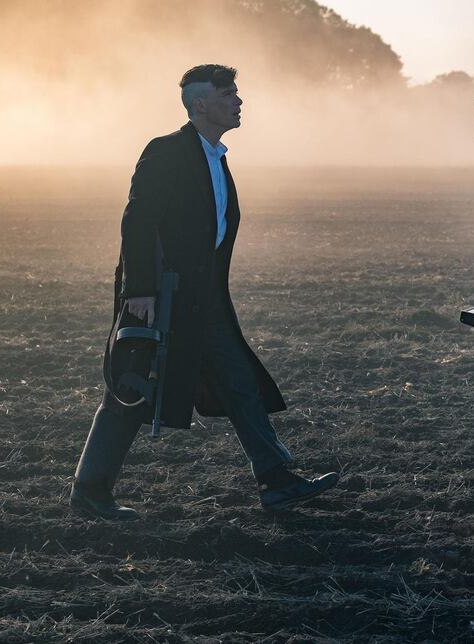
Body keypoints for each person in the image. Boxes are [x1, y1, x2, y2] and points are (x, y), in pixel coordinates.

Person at [70, 64, 339, 520]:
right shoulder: (166, 151)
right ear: (200, 104)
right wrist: (141, 291)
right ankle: (89, 493)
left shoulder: (216, 157)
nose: (239, 101)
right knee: (132, 388)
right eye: (228, 94)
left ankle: (275, 480)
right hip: (161, 297)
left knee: (239, 381)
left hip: (204, 298)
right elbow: (138, 219)